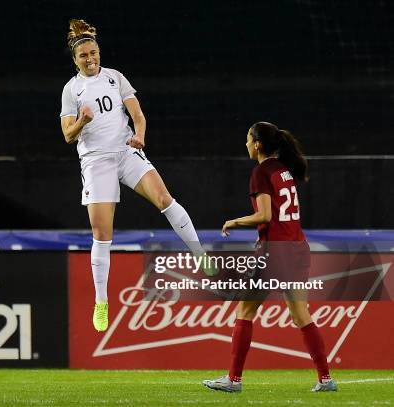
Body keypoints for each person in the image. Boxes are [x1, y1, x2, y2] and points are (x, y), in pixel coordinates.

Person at [60, 19, 212, 333]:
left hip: (125, 150)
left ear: (99, 52)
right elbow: (67, 135)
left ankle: (200, 255)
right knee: (102, 233)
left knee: (164, 198)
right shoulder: (71, 90)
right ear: (75, 60)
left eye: (94, 53)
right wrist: (82, 121)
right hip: (96, 161)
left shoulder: (115, 77)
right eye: (84, 56)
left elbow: (137, 115)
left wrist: (139, 135)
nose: (91, 59)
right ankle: (102, 302)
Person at [202, 121, 337, 393]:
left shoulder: (261, 172)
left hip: (275, 251)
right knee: (301, 314)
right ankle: (325, 379)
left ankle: (234, 380)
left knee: (245, 310)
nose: (247, 144)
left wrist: (234, 222)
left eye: (248, 140)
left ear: (258, 144)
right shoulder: (284, 170)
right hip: (298, 248)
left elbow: (265, 216)